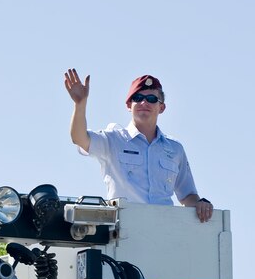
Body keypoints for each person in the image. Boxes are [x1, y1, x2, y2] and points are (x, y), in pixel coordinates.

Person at [64, 69, 213, 222]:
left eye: (151, 99)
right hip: (124, 233)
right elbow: (79, 138)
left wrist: (200, 204)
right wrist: (80, 104)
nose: (144, 102)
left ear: (161, 107)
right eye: (138, 97)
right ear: (129, 105)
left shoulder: (175, 149)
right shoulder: (113, 140)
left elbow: (187, 195)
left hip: (165, 230)